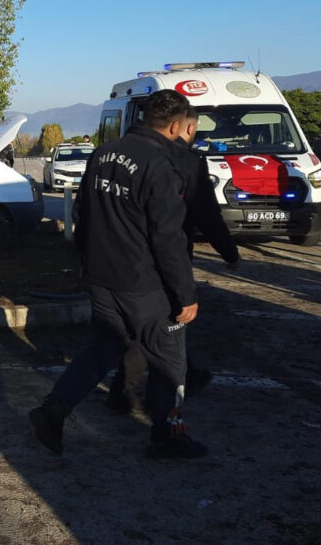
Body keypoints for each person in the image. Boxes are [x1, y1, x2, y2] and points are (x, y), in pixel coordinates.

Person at [29, 89, 206, 459]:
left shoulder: (103, 153)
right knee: (169, 361)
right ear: (175, 126)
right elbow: (168, 237)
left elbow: (81, 214)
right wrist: (185, 294)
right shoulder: (161, 164)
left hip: (102, 277)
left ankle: (53, 410)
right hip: (145, 284)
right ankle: (167, 435)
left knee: (103, 349)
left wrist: (86, 263)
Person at [106, 106, 238, 412]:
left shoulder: (122, 153)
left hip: (122, 258)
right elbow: (206, 216)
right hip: (166, 259)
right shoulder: (186, 161)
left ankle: (176, 377)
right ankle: (141, 397)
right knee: (164, 326)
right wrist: (229, 253)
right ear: (188, 128)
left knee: (152, 326)